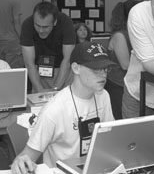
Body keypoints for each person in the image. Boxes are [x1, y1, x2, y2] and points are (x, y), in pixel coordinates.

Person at [11, 42, 115, 173]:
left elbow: (110, 139)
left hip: (95, 168)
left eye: (105, 69)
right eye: (95, 70)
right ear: (76, 68)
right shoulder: (54, 110)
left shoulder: (103, 96)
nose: (103, 75)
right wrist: (20, 162)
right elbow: (27, 156)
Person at [20, 1, 76, 93]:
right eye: (37, 25)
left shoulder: (66, 22)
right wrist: (40, 90)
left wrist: (55, 89)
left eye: (45, 27)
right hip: (39, 70)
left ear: (55, 22)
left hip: (64, 69)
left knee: (66, 102)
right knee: (40, 102)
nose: (41, 30)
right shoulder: (27, 24)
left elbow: (67, 60)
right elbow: (29, 63)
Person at [105, 0, 141, 119]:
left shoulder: (135, 34)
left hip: (132, 85)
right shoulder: (120, 36)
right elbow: (125, 65)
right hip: (118, 86)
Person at [0, 0, 24, 68]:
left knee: (2, 69)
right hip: (12, 42)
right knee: (15, 69)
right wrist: (22, 38)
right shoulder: (14, 1)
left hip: (1, 41)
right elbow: (16, 22)